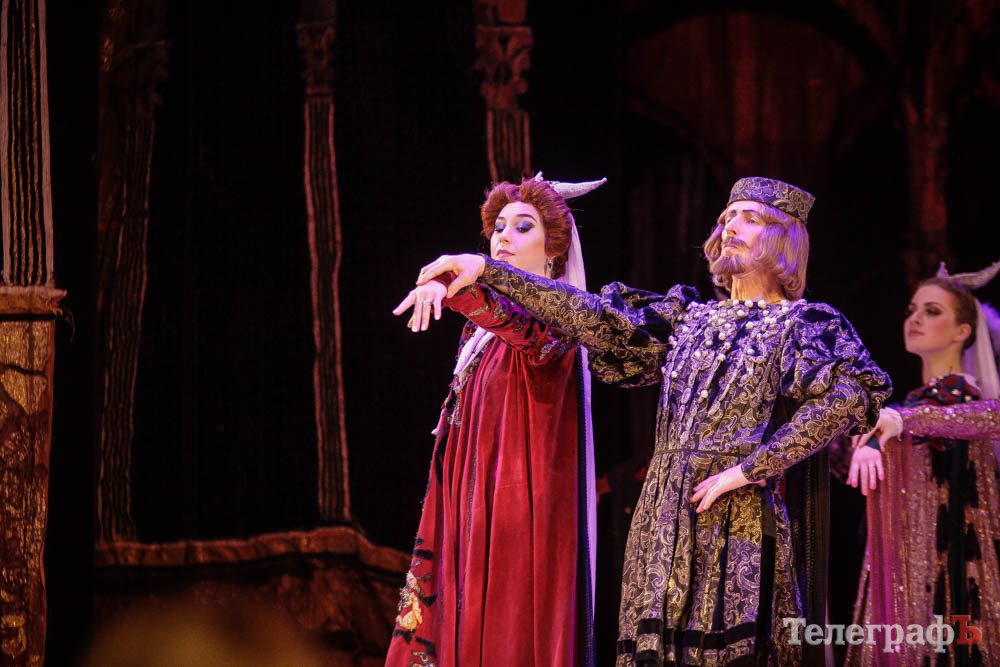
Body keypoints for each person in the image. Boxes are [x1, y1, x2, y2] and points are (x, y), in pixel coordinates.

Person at [414, 177, 891, 665]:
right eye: (727, 218)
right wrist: (489, 271)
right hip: (662, 517)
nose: (731, 227)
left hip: (736, 517)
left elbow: (854, 393)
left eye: (750, 219)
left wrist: (752, 468)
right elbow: (591, 315)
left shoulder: (803, 323)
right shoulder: (687, 318)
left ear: (784, 239)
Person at [385, 174, 604, 667]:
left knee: (508, 621)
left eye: (523, 227)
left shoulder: (560, 317)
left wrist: (459, 282)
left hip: (518, 504)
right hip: (469, 498)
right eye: (499, 227)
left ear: (553, 250)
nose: (504, 236)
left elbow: (518, 324)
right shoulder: (477, 334)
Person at [847, 261, 1000, 666]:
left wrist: (902, 422)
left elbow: (988, 417)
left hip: (947, 576)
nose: (914, 319)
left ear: (962, 331)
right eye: (911, 310)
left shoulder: (963, 401)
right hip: (907, 571)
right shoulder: (906, 409)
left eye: (932, 311)